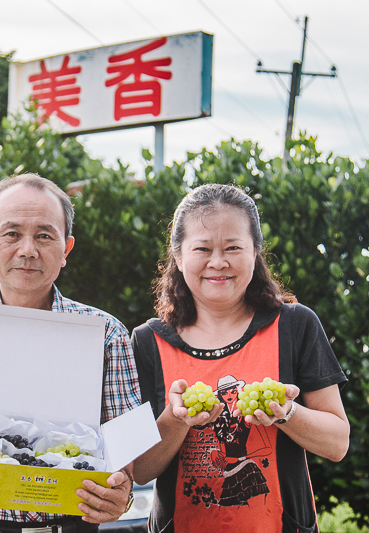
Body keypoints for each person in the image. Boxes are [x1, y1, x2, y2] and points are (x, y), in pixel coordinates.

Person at [0, 173, 141, 532]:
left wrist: (122, 493)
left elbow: (125, 449)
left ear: (66, 249)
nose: (27, 249)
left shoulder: (106, 335)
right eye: (11, 233)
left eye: (44, 235)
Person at [131, 183, 349, 533]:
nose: (218, 262)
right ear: (178, 255)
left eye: (233, 247)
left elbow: (338, 442)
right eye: (202, 248)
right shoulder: (147, 341)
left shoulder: (294, 325)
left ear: (255, 252)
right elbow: (139, 468)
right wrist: (176, 419)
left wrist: (287, 413)